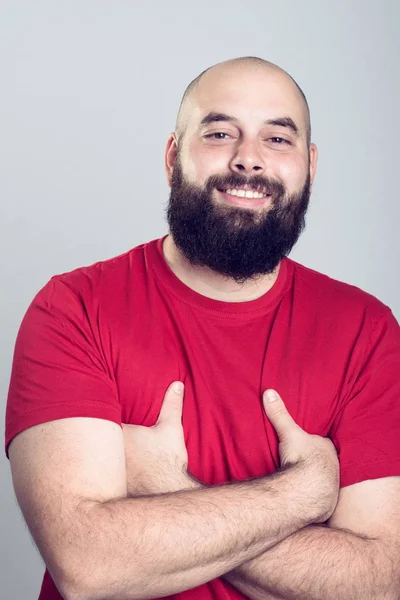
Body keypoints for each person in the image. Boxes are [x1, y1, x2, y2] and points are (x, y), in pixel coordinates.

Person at [5, 56, 400, 600]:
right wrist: (305, 494)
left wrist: (164, 489)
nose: (248, 160)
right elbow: (88, 564)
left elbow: (378, 581)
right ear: (172, 158)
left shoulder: (368, 332)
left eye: (278, 140)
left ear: (309, 165)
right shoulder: (74, 309)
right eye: (219, 133)